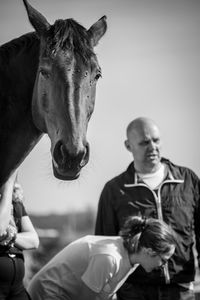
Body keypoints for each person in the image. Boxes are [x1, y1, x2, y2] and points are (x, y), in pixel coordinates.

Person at [95, 117, 200, 300]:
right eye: (144, 142)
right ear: (128, 146)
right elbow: (104, 245)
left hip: (181, 288)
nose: (152, 147)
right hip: (134, 291)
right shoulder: (114, 190)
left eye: (156, 140)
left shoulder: (188, 180)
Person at [27, 216, 176, 300]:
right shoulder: (109, 257)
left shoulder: (133, 258)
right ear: (149, 251)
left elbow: (106, 292)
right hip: (48, 293)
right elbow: (86, 298)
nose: (163, 266)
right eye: (163, 260)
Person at [0, 176, 39, 300]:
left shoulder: (16, 204)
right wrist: (7, 187)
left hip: (17, 289)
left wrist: (12, 235)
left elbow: (34, 241)